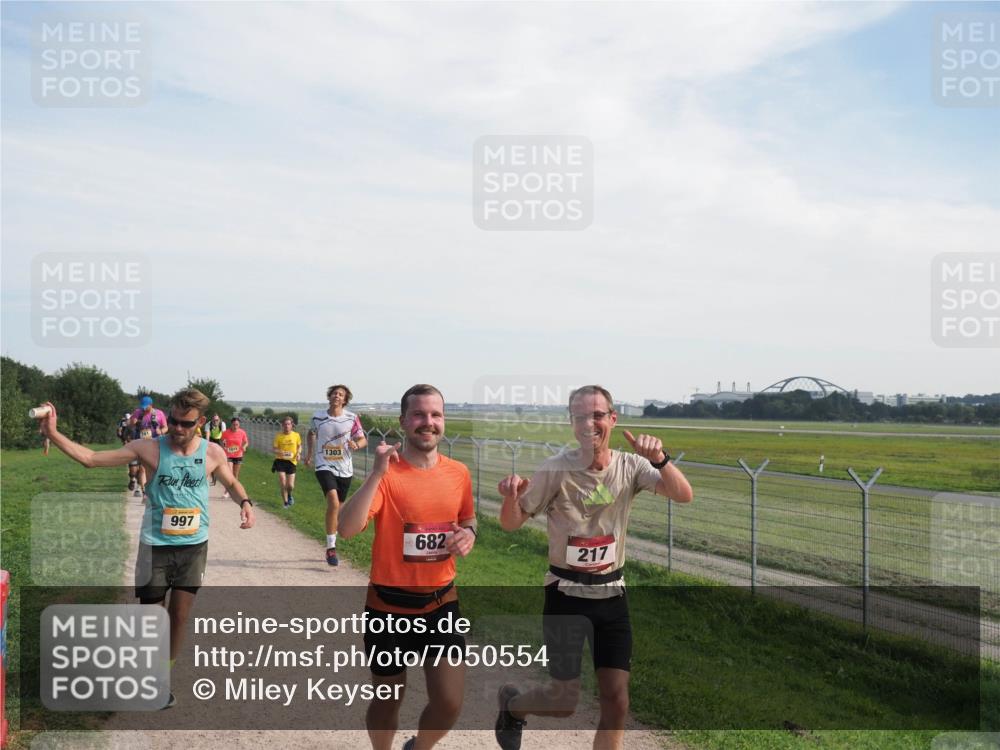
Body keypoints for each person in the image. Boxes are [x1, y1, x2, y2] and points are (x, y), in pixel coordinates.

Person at [494, 385, 693, 750]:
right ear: (571, 423)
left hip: (612, 595)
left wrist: (661, 459)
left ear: (613, 419)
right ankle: (513, 706)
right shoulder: (555, 470)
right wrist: (510, 498)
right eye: (581, 416)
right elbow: (511, 523)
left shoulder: (630, 466)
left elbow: (683, 495)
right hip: (566, 595)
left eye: (598, 414)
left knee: (617, 700)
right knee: (563, 701)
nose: (590, 423)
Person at [37, 388, 256, 709]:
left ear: (202, 422)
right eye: (175, 422)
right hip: (155, 547)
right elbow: (91, 460)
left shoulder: (213, 453)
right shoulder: (148, 448)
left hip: (194, 547)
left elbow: (232, 483)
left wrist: (246, 502)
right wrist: (53, 434)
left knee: (180, 616)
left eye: (187, 424)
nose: (178, 429)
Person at [340, 384, 477, 750]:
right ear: (403, 421)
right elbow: (346, 528)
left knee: (449, 703)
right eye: (418, 415)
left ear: (443, 421)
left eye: (435, 415)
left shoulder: (459, 473)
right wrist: (376, 475)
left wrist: (469, 535)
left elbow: (468, 520)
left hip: (441, 604)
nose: (427, 423)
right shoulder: (389, 473)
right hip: (388, 608)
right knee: (387, 700)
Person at [305, 384, 367, 566]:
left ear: (345, 400)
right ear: (329, 397)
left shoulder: (352, 418)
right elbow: (311, 433)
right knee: (332, 502)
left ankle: (338, 531)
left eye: (340, 395)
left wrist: (357, 445)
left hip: (345, 468)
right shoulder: (318, 416)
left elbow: (362, 439)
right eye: (334, 393)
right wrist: (309, 455)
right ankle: (331, 549)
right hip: (324, 464)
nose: (337, 396)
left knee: (338, 509)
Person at [129, 396, 167, 497]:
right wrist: (133, 422)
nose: (144, 409)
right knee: (142, 468)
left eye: (146, 407)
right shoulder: (138, 412)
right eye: (142, 407)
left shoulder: (159, 413)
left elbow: (166, 427)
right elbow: (130, 424)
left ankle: (154, 487)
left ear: (151, 405)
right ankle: (144, 491)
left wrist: (161, 431)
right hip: (140, 442)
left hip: (154, 443)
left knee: (154, 468)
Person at [272, 416, 302, 508]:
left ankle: (289, 495)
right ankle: (285, 503)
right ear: (282, 425)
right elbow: (274, 449)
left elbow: (299, 446)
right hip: (280, 461)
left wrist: (298, 454)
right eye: (285, 424)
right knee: (282, 480)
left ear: (292, 425)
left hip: (291, 462)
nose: (287, 426)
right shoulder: (278, 436)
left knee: (290, 485)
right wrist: (279, 452)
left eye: (288, 424)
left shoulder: (296, 435)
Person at [219, 416, 249, 499]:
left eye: (237, 424)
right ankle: (226, 491)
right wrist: (223, 446)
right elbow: (221, 441)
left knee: (235, 475)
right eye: (234, 424)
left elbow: (246, 442)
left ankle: (234, 491)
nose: (235, 426)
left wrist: (244, 447)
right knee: (229, 473)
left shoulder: (242, 432)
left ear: (239, 425)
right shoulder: (226, 433)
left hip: (238, 455)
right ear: (231, 424)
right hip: (228, 455)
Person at [206, 414, 226, 485]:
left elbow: (224, 435)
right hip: (212, 439)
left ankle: (221, 474)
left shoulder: (222, 424)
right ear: (212, 420)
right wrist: (207, 445)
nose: (215, 421)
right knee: (211, 458)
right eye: (214, 420)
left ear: (219, 420)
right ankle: (213, 478)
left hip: (219, 439)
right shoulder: (208, 424)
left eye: (217, 420)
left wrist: (224, 445)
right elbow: (207, 436)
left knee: (221, 457)